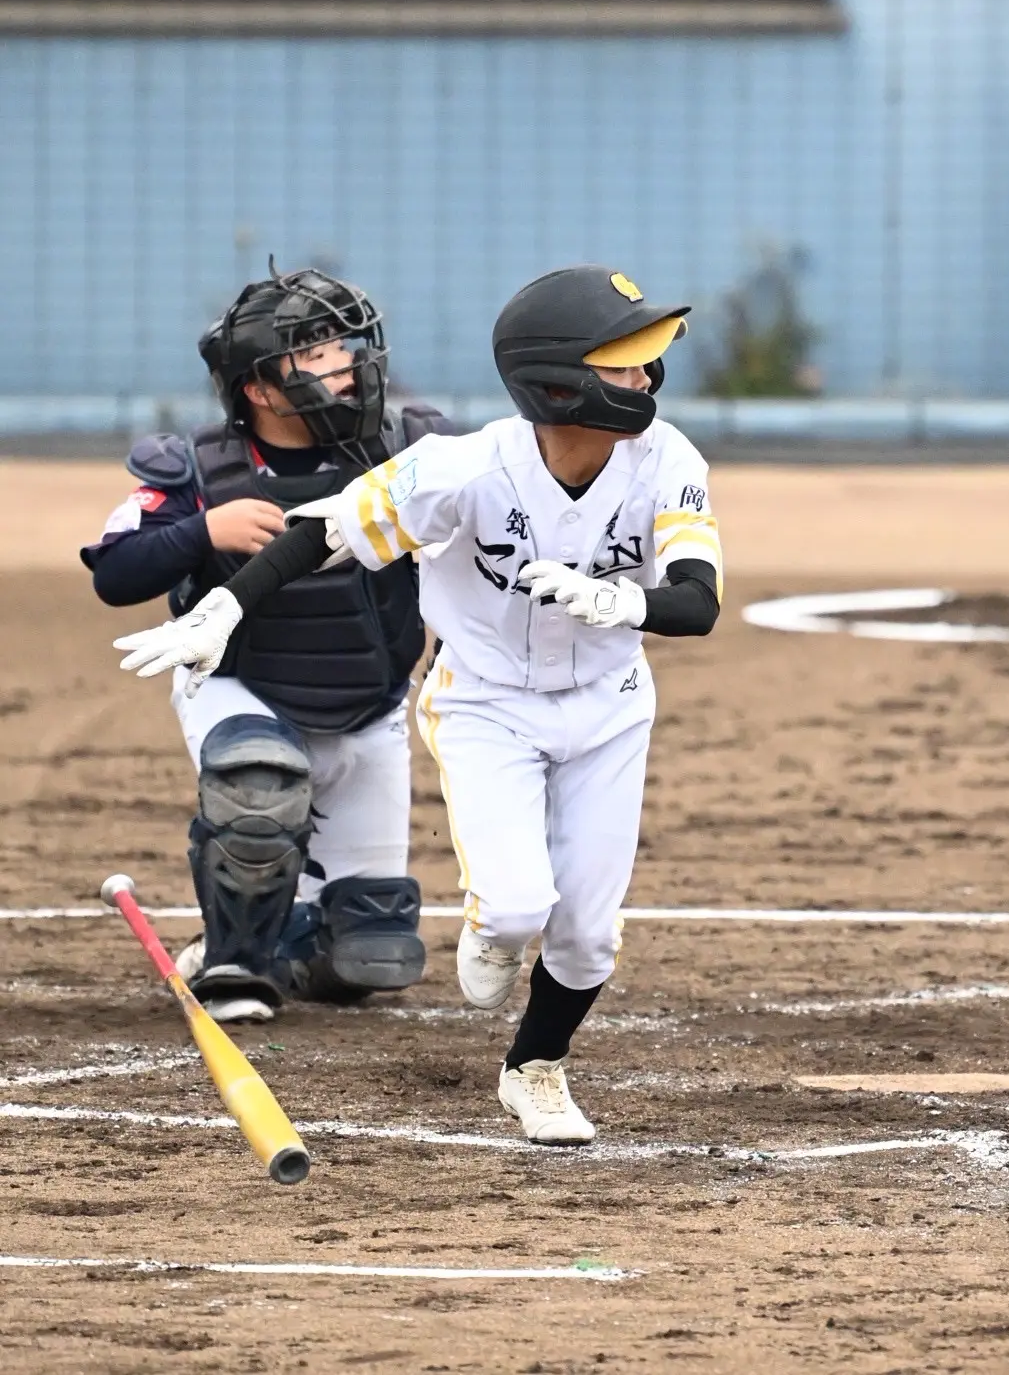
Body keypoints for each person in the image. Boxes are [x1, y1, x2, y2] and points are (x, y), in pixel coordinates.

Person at [114, 266, 722, 1141]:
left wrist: (620, 600)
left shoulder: (669, 460)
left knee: (588, 935)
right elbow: (325, 530)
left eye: (645, 361)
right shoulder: (463, 469)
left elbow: (697, 601)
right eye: (620, 363)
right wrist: (226, 608)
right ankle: (492, 924)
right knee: (516, 907)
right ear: (558, 381)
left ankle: (534, 1071)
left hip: (611, 705)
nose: (646, 379)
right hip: (487, 705)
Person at [84, 260, 446, 1022]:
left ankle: (281, 939)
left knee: (370, 954)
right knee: (258, 787)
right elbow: (115, 574)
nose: (346, 365)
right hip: (240, 687)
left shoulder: (411, 450)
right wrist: (201, 531)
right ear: (259, 387)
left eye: (344, 346)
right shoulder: (196, 465)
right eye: (315, 353)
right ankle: (235, 963)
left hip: (370, 705)